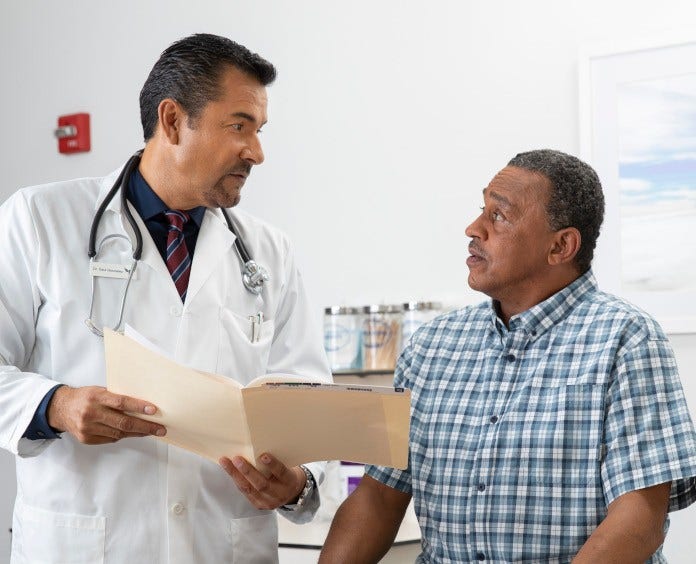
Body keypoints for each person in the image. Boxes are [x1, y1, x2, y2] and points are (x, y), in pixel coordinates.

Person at [0, 33, 331, 563]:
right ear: (173, 121)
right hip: (87, 545)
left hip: (222, 545)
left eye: (260, 130)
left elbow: (310, 397)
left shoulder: (269, 252)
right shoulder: (38, 220)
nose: (257, 152)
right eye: (239, 126)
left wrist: (296, 482)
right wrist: (56, 405)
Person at [319, 149, 696, 563]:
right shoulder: (430, 347)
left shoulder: (626, 340)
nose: (473, 228)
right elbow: (377, 497)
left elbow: (639, 518)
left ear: (561, 246)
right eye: (482, 209)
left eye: (499, 216)